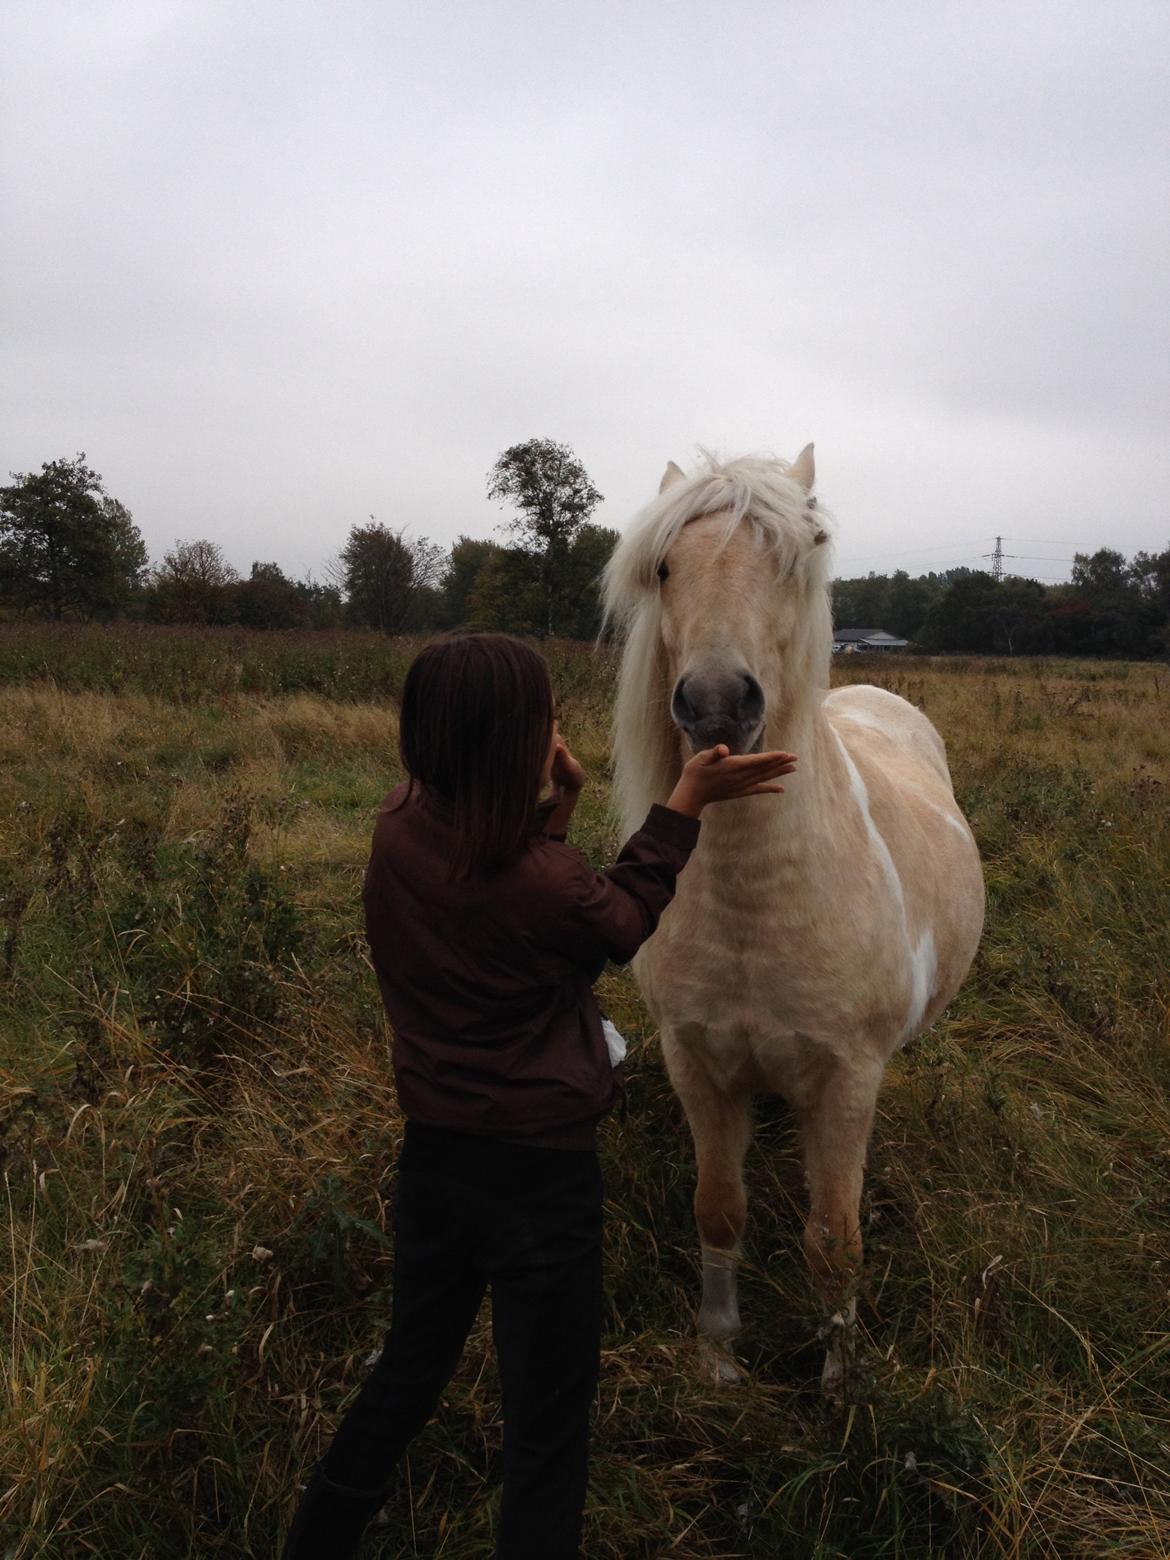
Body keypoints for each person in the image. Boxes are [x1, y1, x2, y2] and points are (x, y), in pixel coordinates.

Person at [281, 632, 796, 1559]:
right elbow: (617, 924)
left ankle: (317, 1537)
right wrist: (681, 804)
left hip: (435, 1162)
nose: (559, 732)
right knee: (546, 1423)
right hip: (541, 1184)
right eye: (549, 720)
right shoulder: (546, 884)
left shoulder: (399, 825)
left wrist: (559, 807)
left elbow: (515, 909)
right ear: (515, 741)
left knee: (407, 1371)